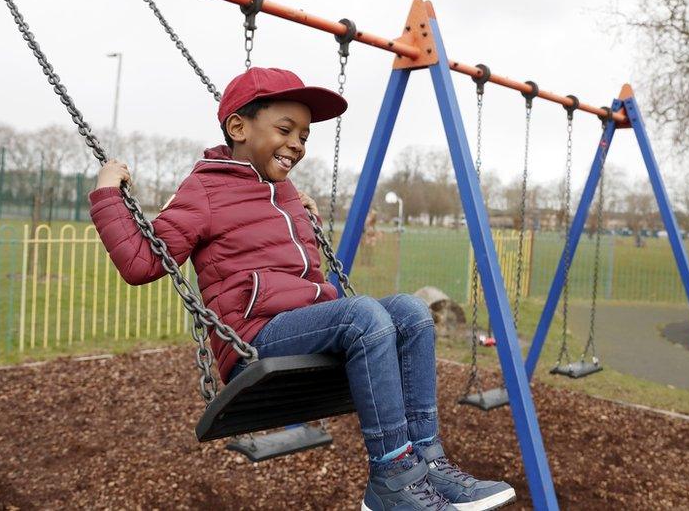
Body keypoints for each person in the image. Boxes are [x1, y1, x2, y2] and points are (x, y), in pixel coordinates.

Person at [88, 67, 516, 511]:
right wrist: (106, 194)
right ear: (238, 127)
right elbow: (141, 262)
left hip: (305, 322)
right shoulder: (205, 189)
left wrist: (297, 214)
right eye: (286, 130)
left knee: (411, 310)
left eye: (305, 136)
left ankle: (428, 462)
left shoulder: (285, 192)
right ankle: (392, 478)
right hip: (255, 337)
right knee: (363, 313)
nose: (297, 144)